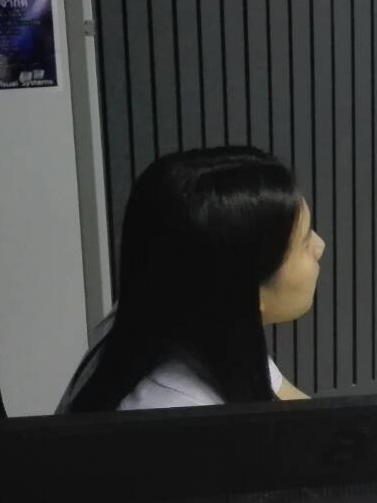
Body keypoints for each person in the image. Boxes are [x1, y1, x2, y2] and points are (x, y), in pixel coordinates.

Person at [64, 147, 324, 412]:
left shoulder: (179, 317)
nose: (320, 246)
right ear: (241, 292)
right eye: (305, 243)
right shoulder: (177, 416)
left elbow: (301, 407)